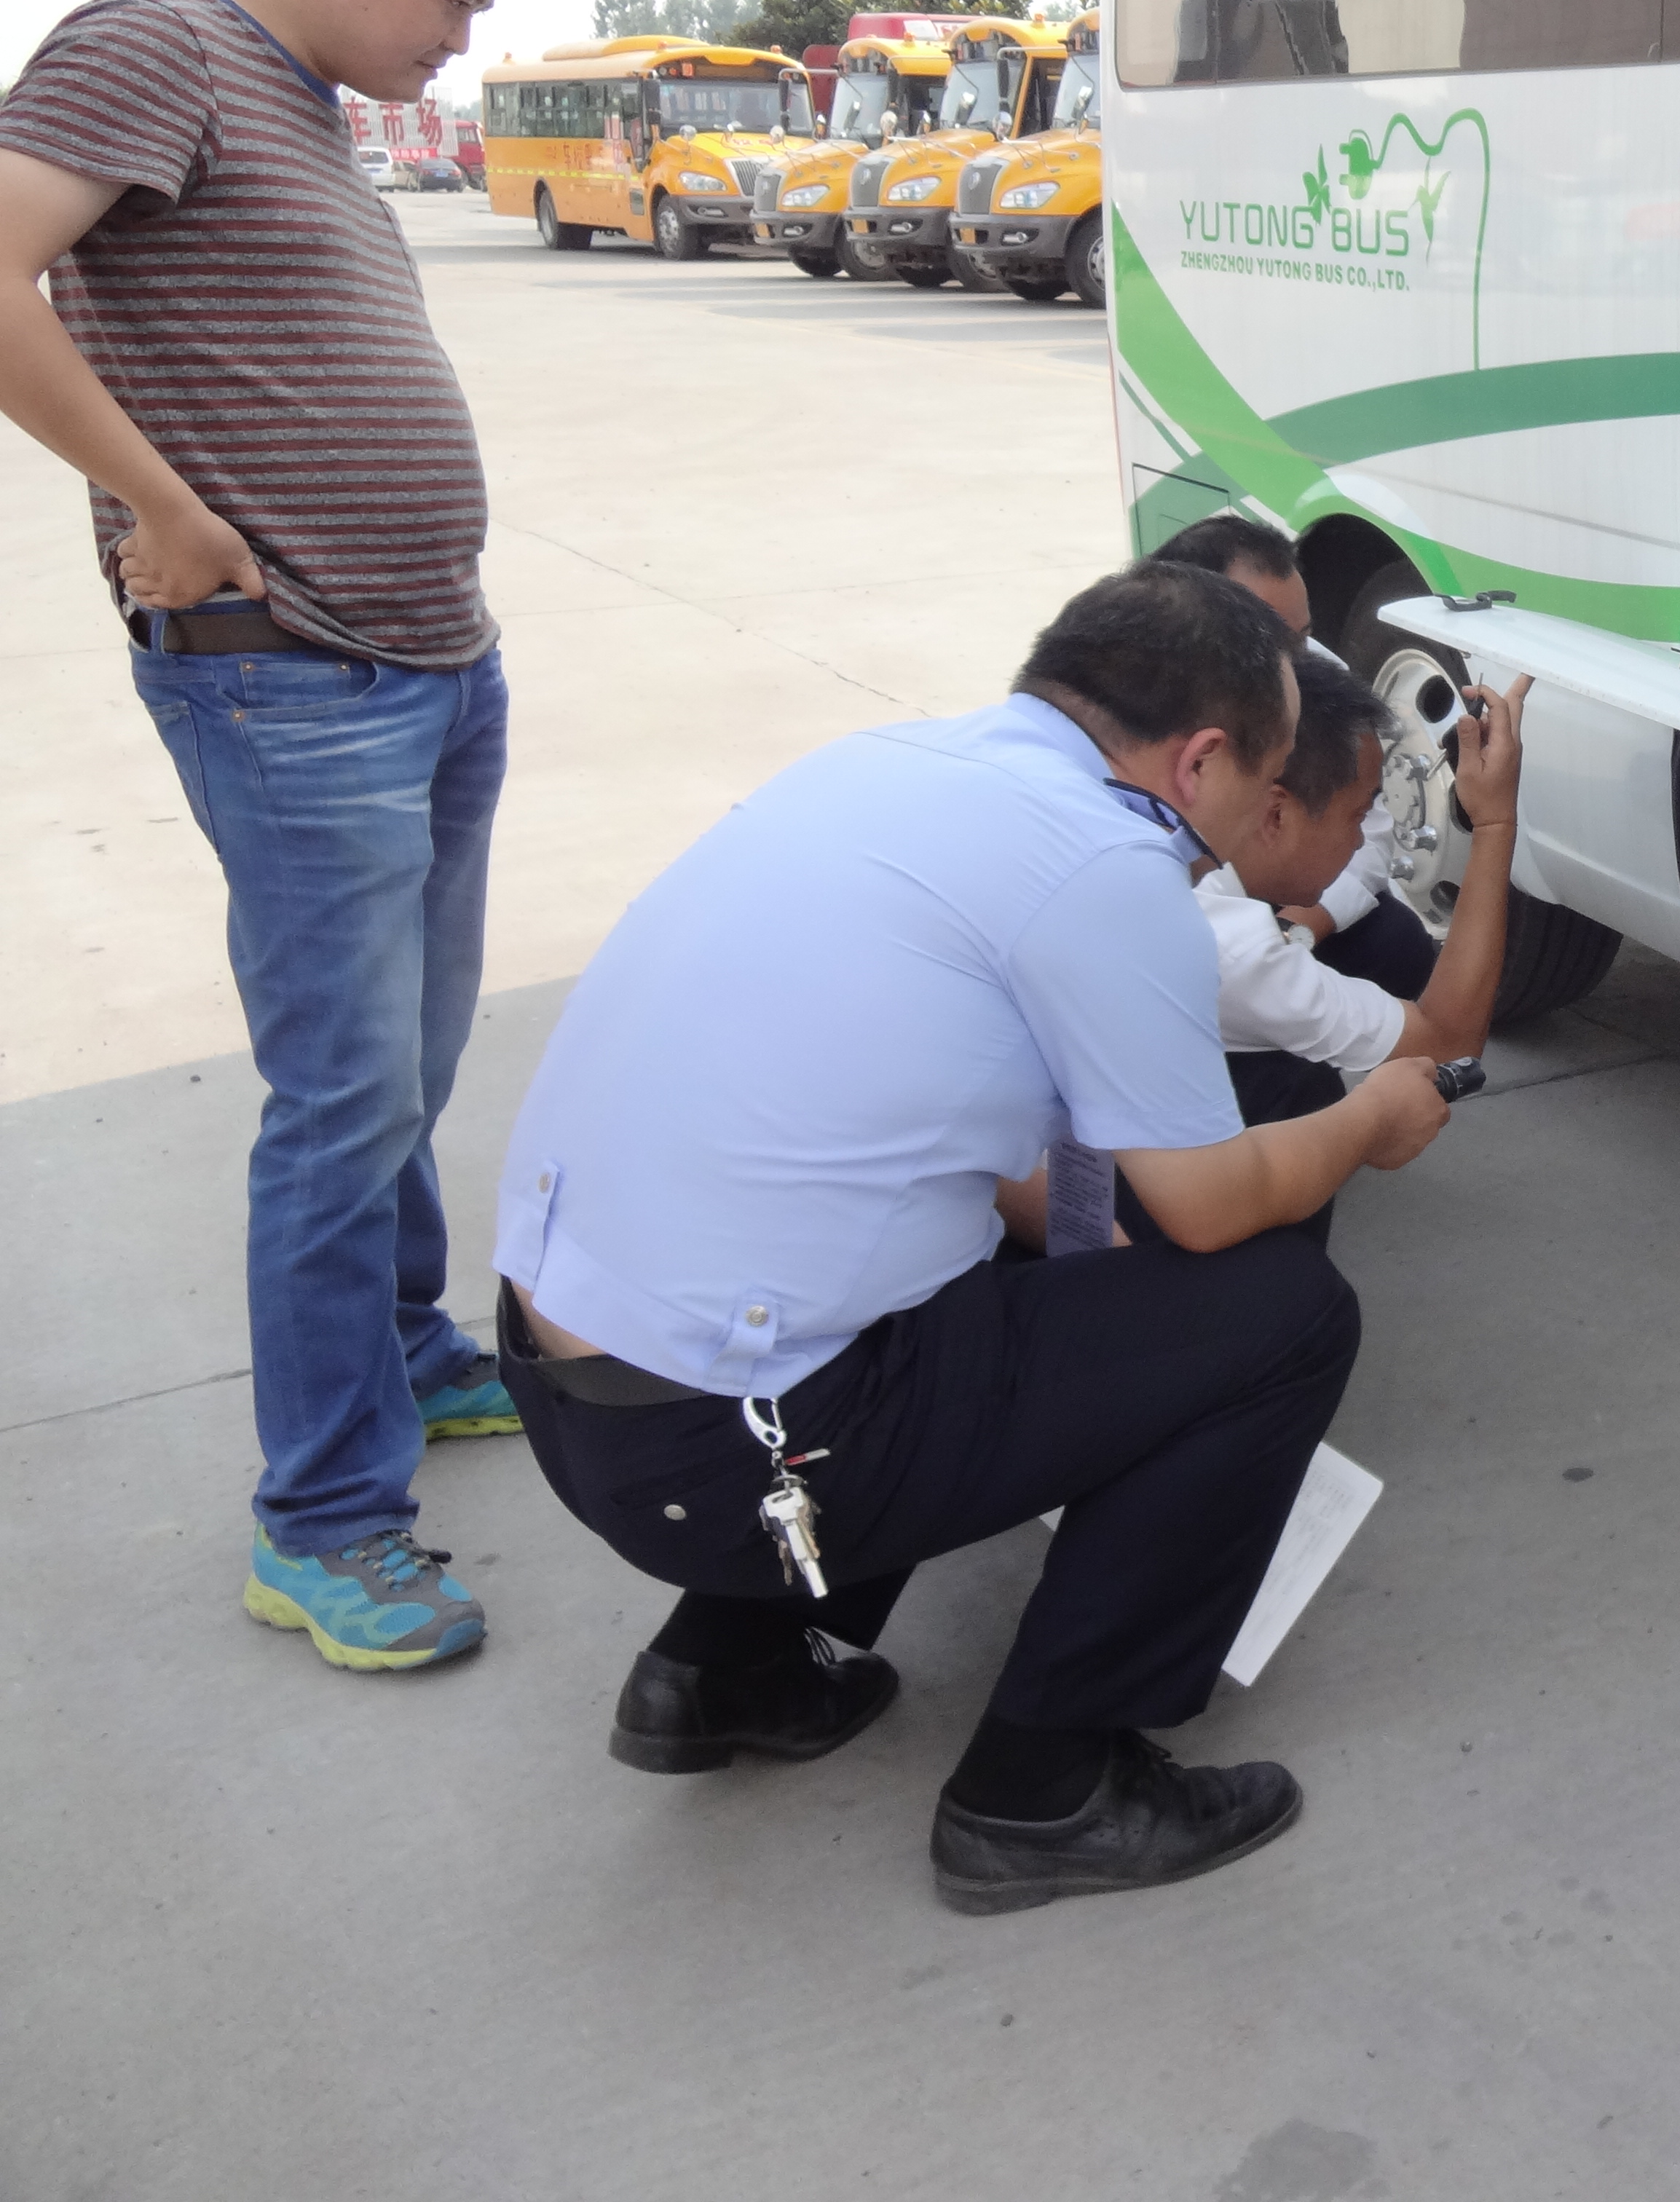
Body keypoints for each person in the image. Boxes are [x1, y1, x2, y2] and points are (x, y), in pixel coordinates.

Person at [492, 562, 1454, 1914]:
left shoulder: (888, 768)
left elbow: (1017, 1169)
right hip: (736, 1453)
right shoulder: (1111, 866)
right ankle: (1048, 1787)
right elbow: (1212, 1203)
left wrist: (1115, 1292)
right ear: (1199, 759)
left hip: (575, 1393)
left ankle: (726, 1667)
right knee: (1282, 1313)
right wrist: (1366, 1120)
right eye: (1265, 779)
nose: (1260, 824)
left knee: (1009, 1257)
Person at [0, 0, 537, 1674]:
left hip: (427, 663)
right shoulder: (157, 42)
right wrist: (160, 501)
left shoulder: (299, 103)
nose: (453, 47)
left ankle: (405, 1343)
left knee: (411, 1064)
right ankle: (322, 1521)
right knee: (342, 1099)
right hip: (292, 678)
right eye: (447, 2)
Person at [1006, 652, 1530, 1256]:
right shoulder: (1212, 939)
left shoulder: (1105, 811)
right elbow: (1449, 1041)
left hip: (1012, 1157)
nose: (1360, 840)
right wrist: (1495, 822)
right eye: (1357, 815)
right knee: (1297, 1286)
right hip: (1009, 1207)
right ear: (1276, 811)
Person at [1148, 513, 1437, 997]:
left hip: (1287, 903)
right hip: (1181, 917)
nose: (1293, 662)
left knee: (1396, 941)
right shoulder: (1135, 707)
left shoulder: (1315, 675)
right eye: (1266, 641)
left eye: (1300, 636)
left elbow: (1369, 829)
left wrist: (1303, 926)